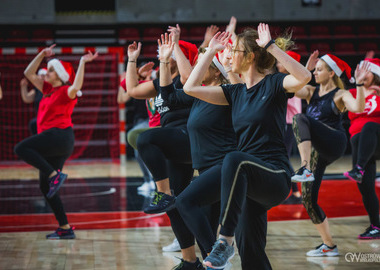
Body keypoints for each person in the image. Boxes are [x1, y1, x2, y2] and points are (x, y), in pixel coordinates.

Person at [183, 24, 311, 269]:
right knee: (251, 254)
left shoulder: (274, 84)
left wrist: (271, 46)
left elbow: (305, 77)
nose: (229, 54)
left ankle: (224, 242)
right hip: (244, 180)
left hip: (274, 175)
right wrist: (210, 52)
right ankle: (225, 246)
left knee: (233, 158)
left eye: (235, 50)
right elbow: (190, 88)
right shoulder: (235, 92)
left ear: (250, 56)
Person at [160, 34, 236, 269]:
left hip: (223, 166)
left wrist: (213, 52)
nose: (195, 69)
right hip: (205, 169)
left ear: (215, 72)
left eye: (202, 65)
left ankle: (218, 254)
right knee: (208, 227)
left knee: (182, 202)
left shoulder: (227, 93)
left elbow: (236, 85)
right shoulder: (198, 96)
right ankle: (212, 262)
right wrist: (164, 62)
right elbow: (168, 97)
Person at [14, 44, 98, 239]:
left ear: (59, 74)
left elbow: (77, 86)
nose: (47, 72)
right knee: (46, 188)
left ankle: (54, 174)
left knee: (21, 148)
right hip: (56, 142)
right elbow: (29, 72)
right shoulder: (46, 90)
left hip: (59, 136)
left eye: (51, 70)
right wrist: (42, 54)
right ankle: (65, 228)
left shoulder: (67, 91)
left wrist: (82, 63)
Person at [291, 51, 366, 256]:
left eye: (319, 69)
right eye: (314, 70)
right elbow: (290, 89)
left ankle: (304, 167)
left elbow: (358, 107)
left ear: (332, 73)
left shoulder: (340, 94)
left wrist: (358, 85)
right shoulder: (309, 91)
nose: (315, 72)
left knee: (299, 118)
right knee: (308, 200)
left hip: (334, 141)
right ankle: (329, 245)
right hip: (317, 149)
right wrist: (304, 70)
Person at [343, 58, 380, 239]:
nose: (363, 74)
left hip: (378, 136)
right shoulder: (352, 92)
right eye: (361, 70)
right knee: (365, 188)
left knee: (369, 127)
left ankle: (358, 168)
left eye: (368, 71)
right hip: (360, 144)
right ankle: (376, 226)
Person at [277, 51, 303, 204]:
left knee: (283, 158)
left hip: (288, 122)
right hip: (286, 122)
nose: (278, 64)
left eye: (281, 61)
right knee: (282, 158)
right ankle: (295, 191)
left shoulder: (291, 80)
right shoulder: (289, 79)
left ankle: (296, 192)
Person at [20, 68, 46, 135]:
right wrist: (23, 87)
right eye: (41, 75)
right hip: (40, 120)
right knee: (33, 124)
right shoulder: (37, 90)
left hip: (49, 120)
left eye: (44, 76)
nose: (42, 78)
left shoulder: (52, 89)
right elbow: (27, 98)